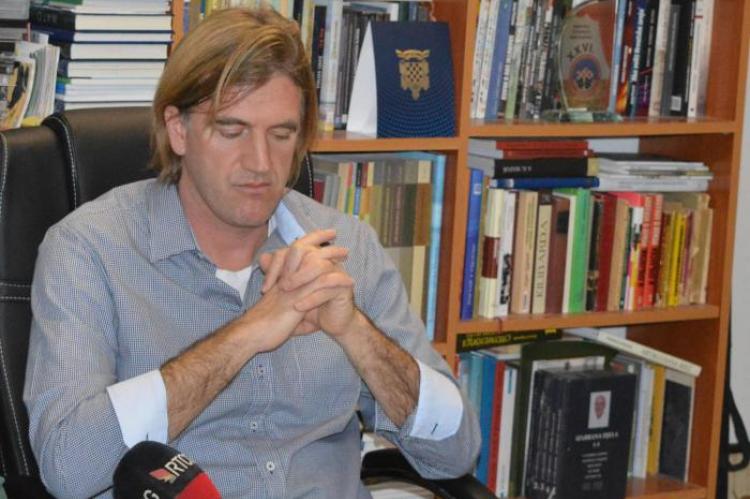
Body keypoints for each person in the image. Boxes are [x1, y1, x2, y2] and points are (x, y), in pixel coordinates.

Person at [23, 7, 480, 498]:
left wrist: (356, 333)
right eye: (232, 130)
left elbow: (454, 453)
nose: (261, 163)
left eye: (281, 134)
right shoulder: (89, 250)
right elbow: (68, 468)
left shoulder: (346, 248)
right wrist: (247, 334)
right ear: (178, 130)